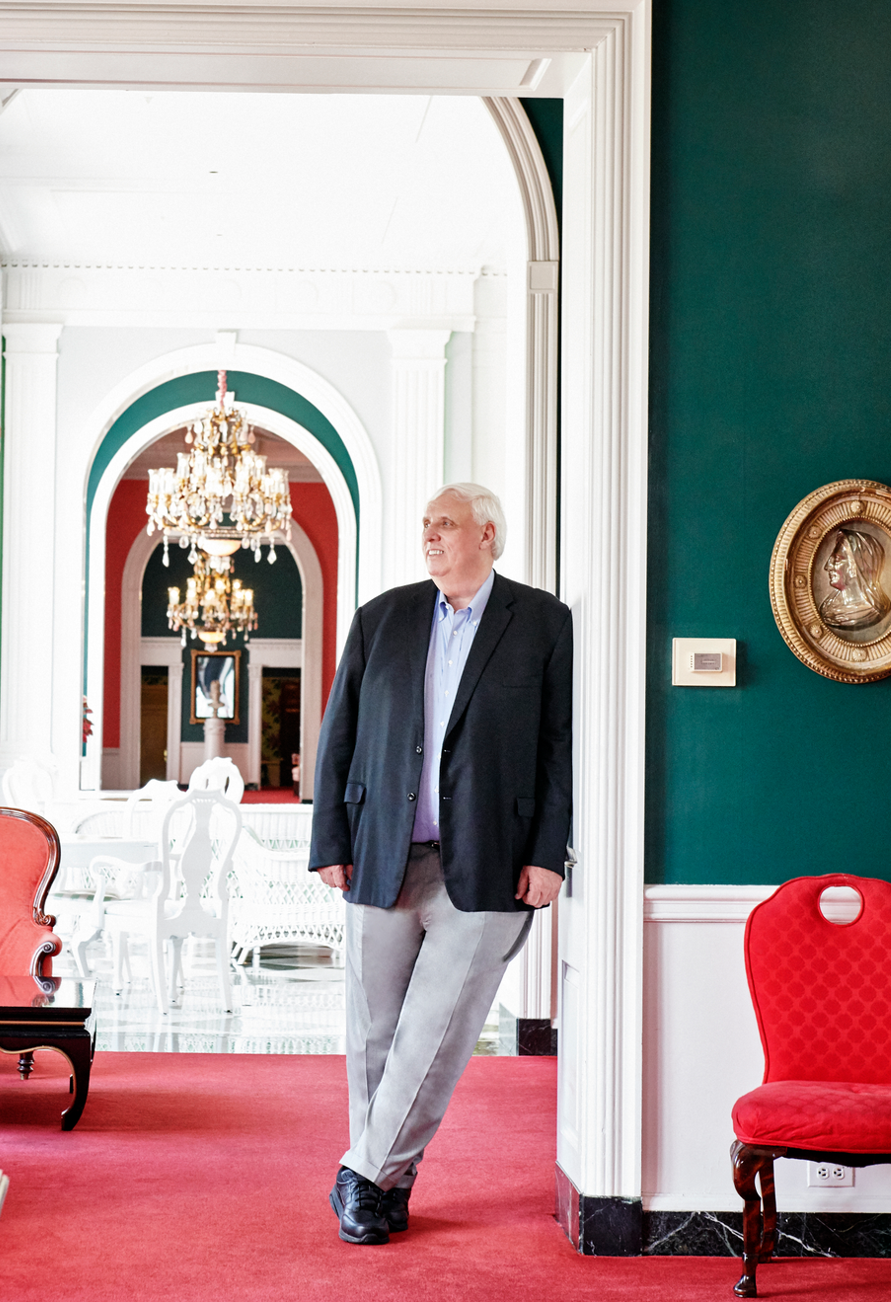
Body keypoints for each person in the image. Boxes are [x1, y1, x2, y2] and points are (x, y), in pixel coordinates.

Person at [308, 482, 573, 1245]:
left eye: (445, 523)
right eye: (425, 524)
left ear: (487, 533)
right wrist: (330, 841)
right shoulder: (380, 617)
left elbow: (559, 748)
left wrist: (547, 853)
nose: (429, 534)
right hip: (379, 853)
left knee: (436, 1032)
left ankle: (360, 1175)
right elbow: (339, 736)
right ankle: (383, 1183)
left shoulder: (542, 622)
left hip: (489, 862)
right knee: (372, 1032)